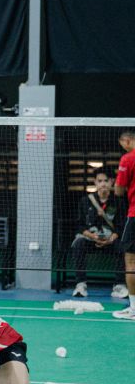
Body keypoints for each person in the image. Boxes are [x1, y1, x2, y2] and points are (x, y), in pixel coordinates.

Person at [69, 170, 126, 298]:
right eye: (99, 181)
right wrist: (93, 236)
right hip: (91, 239)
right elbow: (79, 225)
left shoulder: (119, 201)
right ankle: (80, 284)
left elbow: (121, 226)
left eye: (106, 181)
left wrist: (111, 238)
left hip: (110, 240)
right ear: (95, 182)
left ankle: (119, 285)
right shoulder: (86, 200)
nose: (103, 184)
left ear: (111, 182)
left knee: (123, 247)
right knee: (78, 244)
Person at [114, 130, 135, 320]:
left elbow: (119, 191)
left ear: (127, 141)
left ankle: (134, 309)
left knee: (131, 262)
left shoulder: (128, 158)